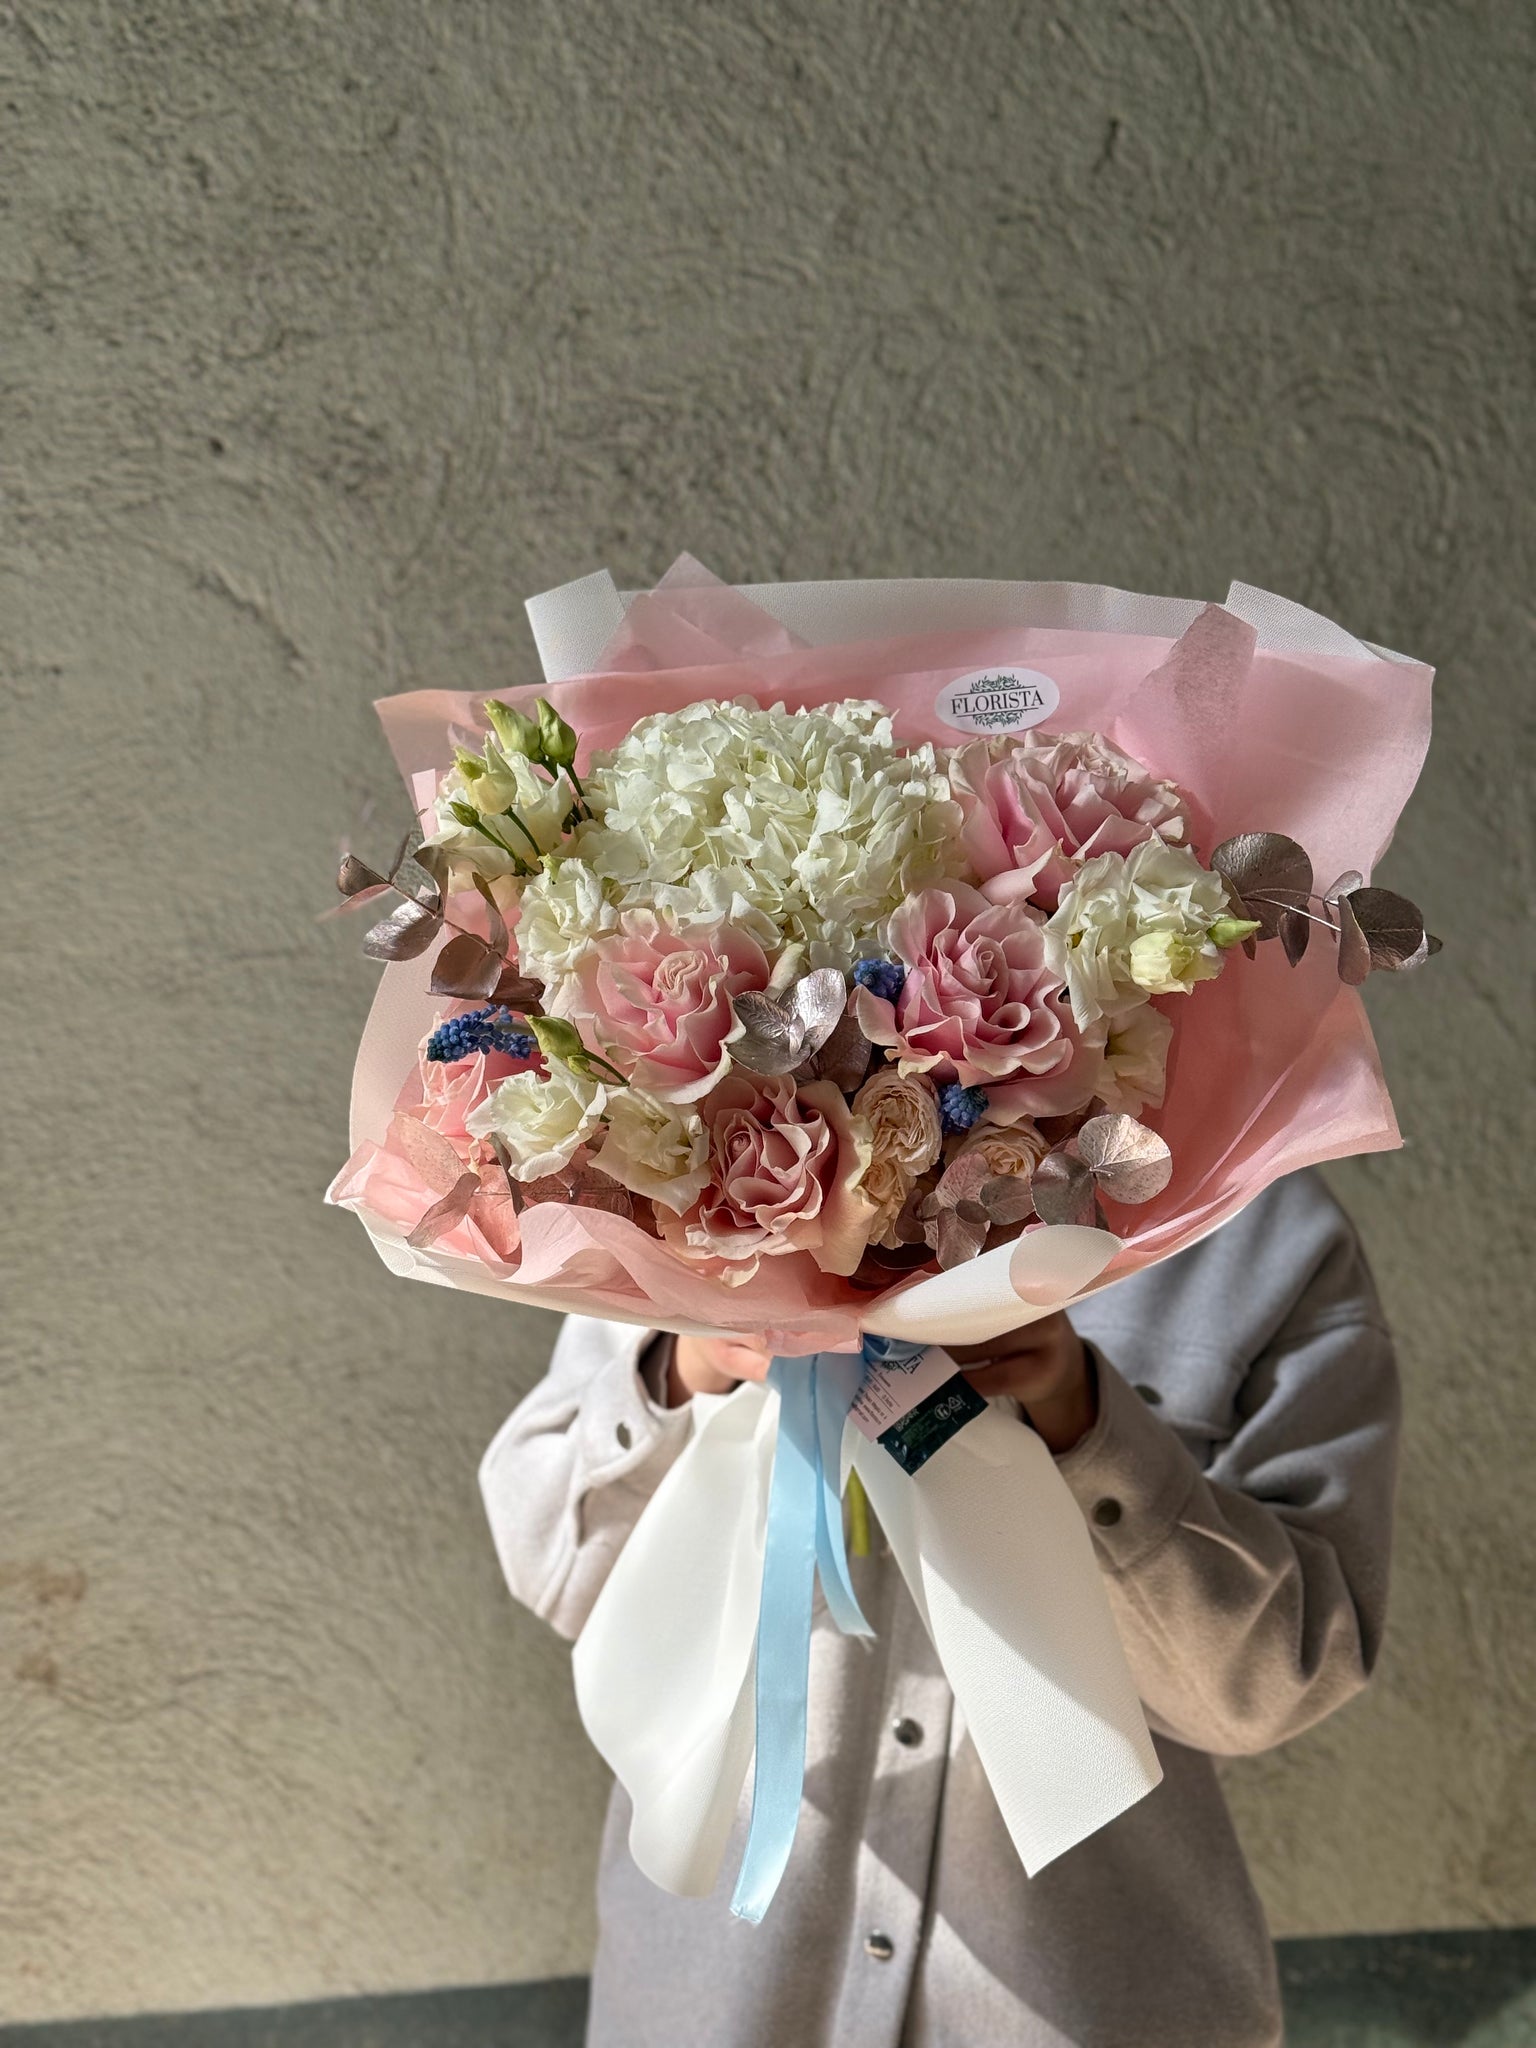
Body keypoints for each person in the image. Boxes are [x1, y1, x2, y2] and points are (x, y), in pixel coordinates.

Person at [479, 1166, 1398, 2048]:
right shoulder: (688, 1182)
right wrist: (688, 1367)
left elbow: (1278, 1683)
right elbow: (551, 1567)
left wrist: (1088, 1428)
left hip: (1076, 2005)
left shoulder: (1249, 1227)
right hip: (717, 2004)